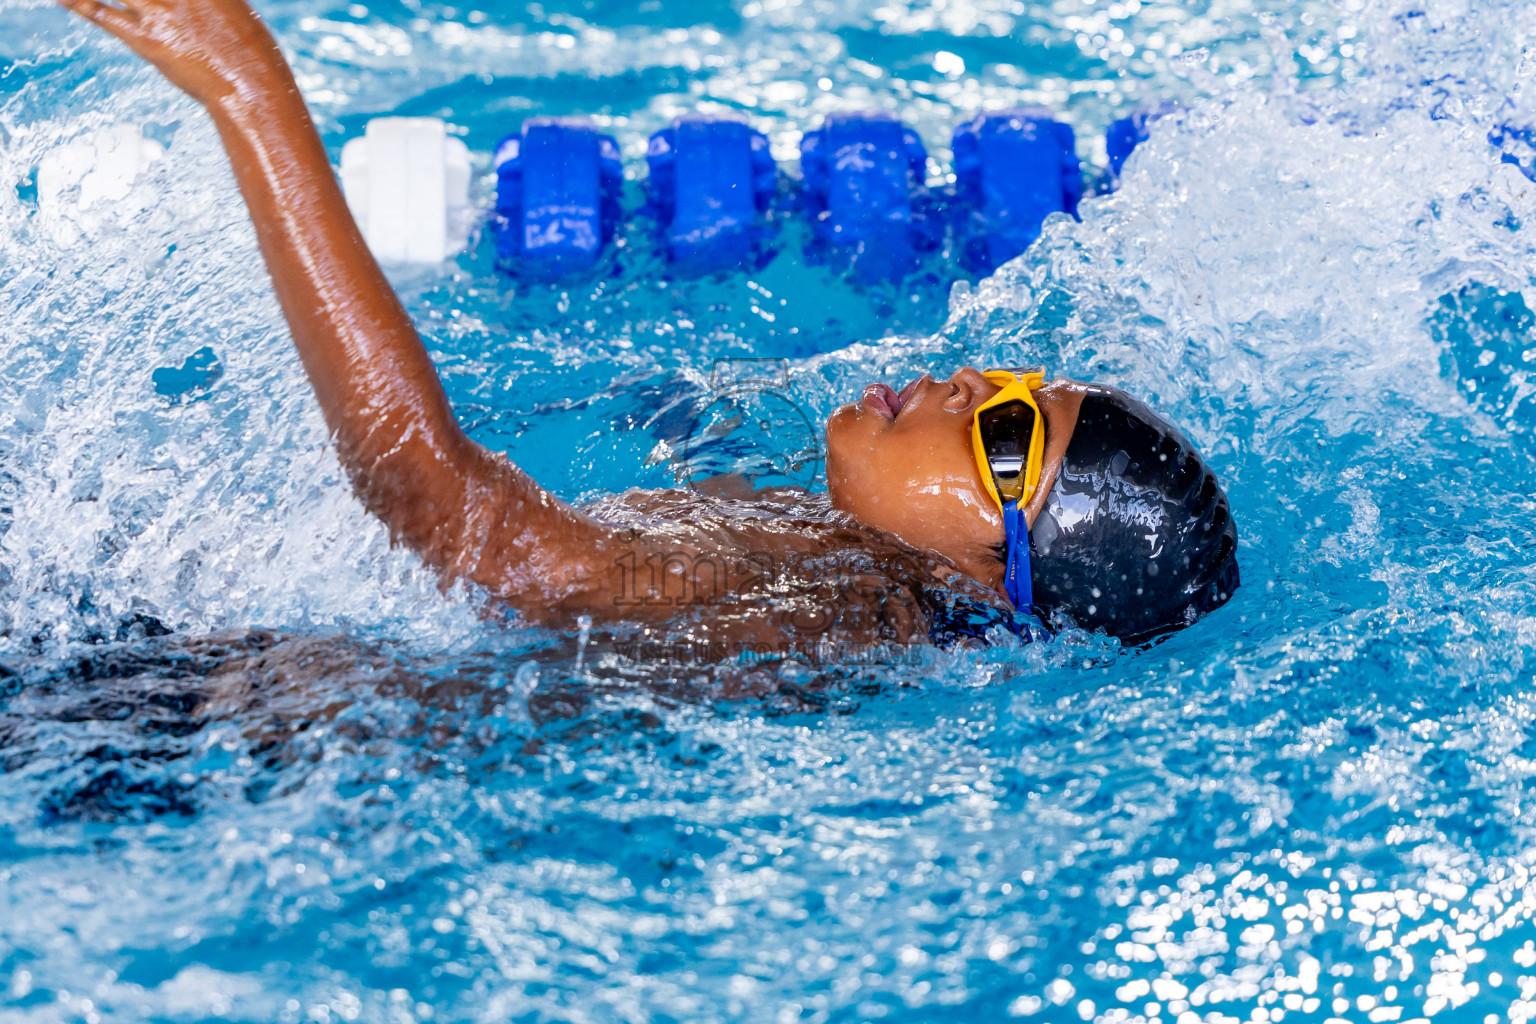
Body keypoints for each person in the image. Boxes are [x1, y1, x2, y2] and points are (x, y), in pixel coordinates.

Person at [57, 0, 1239, 656]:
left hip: (182, 735)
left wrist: (246, 89)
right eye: (1010, 377)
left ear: (996, 582)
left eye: (1009, 433)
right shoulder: (844, 550)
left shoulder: (835, 611)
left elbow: (456, 519)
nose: (966, 385)